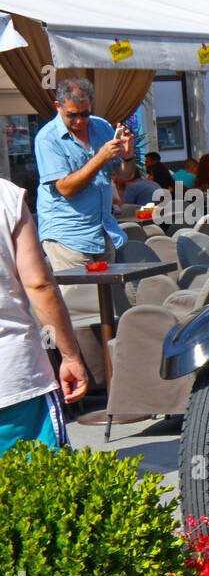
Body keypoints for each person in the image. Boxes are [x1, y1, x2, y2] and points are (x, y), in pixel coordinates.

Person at [0, 176, 88, 457]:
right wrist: (70, 356)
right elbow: (39, 284)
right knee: (39, 490)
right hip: (15, 376)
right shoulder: (6, 196)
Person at [33, 78, 131, 271]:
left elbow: (125, 176)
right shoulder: (47, 139)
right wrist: (100, 158)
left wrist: (128, 157)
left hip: (103, 230)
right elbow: (65, 188)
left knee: (107, 298)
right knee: (81, 299)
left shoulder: (101, 126)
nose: (79, 121)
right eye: (72, 115)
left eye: (85, 114)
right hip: (68, 236)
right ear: (58, 107)